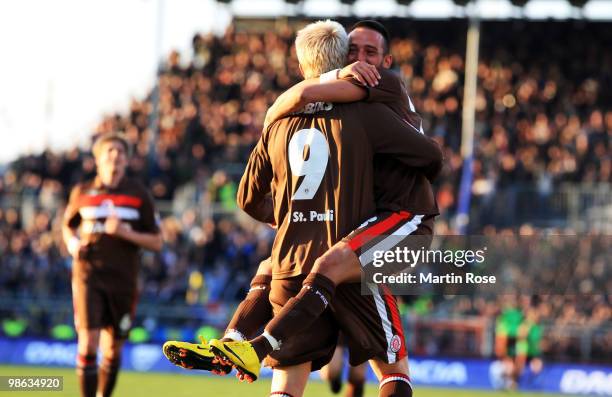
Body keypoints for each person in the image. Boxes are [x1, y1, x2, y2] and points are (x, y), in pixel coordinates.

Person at [165, 20, 441, 397]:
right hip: (350, 247)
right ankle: (246, 345)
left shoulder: (280, 122)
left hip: (299, 256)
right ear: (342, 61)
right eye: (352, 54)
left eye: (369, 54)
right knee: (391, 369)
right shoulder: (365, 113)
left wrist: (294, 216)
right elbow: (431, 156)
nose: (361, 62)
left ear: (300, 68)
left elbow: (247, 198)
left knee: (286, 372)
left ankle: (235, 339)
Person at [63, 132, 163, 397]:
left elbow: (157, 241)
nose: (116, 156)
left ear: (127, 160)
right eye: (110, 151)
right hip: (88, 275)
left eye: (121, 152)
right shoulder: (82, 192)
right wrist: (73, 245)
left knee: (113, 348)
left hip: (123, 281)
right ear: (98, 160)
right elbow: (66, 226)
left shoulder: (139, 194)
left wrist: (124, 232)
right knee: (88, 344)